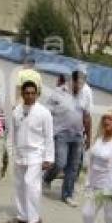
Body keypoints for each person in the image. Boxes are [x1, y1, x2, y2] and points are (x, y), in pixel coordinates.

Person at [5, 80, 54, 223]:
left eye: (33, 93)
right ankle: (22, 216)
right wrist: (9, 151)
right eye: (27, 93)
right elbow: (12, 133)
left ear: (37, 94)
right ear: (22, 94)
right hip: (20, 153)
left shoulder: (44, 112)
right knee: (19, 184)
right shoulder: (17, 111)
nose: (30, 96)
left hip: (36, 154)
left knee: (31, 185)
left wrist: (49, 158)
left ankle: (34, 220)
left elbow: (49, 136)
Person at [43, 70, 92, 207]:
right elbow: (46, 113)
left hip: (77, 135)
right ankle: (47, 178)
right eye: (78, 84)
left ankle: (67, 195)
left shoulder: (85, 94)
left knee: (73, 167)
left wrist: (88, 136)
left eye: (82, 84)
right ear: (72, 81)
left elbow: (87, 116)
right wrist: (45, 133)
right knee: (60, 162)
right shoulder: (59, 92)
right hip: (61, 133)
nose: (80, 87)